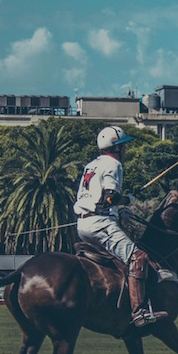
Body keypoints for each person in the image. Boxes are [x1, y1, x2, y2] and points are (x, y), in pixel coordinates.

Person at [74, 126, 166, 327]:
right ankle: (139, 312)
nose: (125, 149)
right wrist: (127, 200)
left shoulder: (91, 165)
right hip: (100, 224)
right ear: (115, 148)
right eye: (123, 146)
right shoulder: (114, 164)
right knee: (138, 257)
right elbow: (110, 198)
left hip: (82, 224)